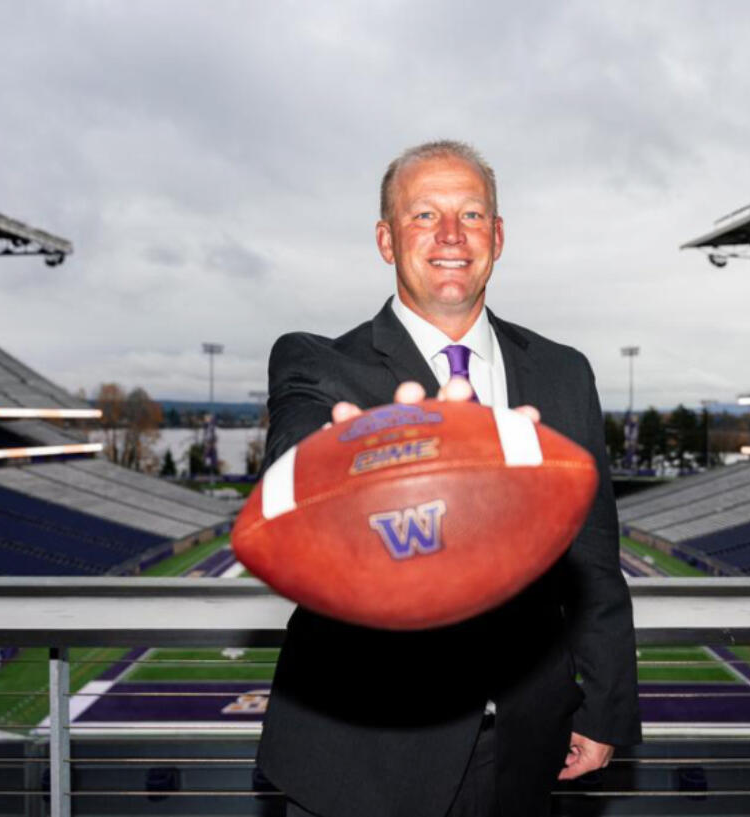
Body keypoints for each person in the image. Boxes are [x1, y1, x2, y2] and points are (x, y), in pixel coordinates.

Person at [256, 140, 640, 817]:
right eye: (424, 216)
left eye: (470, 214)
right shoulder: (316, 362)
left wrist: (605, 704)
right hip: (365, 755)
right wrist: (378, 460)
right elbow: (295, 468)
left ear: (498, 235)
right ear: (385, 238)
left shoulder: (563, 372)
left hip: (525, 748)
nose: (451, 236)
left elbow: (593, 560)